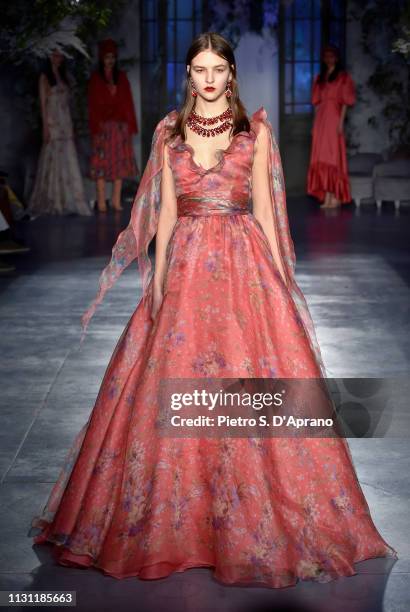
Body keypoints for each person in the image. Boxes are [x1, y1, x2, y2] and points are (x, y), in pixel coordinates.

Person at [28, 32, 397, 589]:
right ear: (189, 73)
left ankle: (257, 518)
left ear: (230, 75)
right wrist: (156, 282)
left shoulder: (256, 133)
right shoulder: (169, 132)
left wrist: (280, 282)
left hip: (245, 264)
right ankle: (180, 525)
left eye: (217, 69)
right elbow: (168, 214)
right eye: (198, 69)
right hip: (188, 268)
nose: (208, 78)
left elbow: (270, 217)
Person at [28, 51, 92, 217]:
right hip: (53, 121)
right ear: (49, 56)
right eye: (55, 55)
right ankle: (53, 200)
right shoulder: (45, 77)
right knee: (53, 158)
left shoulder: (64, 76)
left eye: (61, 55)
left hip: (65, 121)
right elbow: (43, 104)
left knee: (68, 159)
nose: (59, 58)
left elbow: (68, 103)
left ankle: (68, 199)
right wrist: (46, 127)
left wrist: (71, 124)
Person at [88, 39, 139, 213]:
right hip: (103, 128)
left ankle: (116, 201)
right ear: (101, 58)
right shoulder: (96, 79)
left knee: (119, 165)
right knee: (101, 165)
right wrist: (97, 126)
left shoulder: (121, 77)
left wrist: (130, 125)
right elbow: (93, 105)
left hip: (119, 128)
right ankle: (102, 202)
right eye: (107, 57)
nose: (110, 60)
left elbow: (128, 103)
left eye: (112, 57)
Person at [307, 45, 356, 209]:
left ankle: (335, 196)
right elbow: (316, 103)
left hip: (334, 118)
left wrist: (341, 123)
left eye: (332, 56)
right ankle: (327, 197)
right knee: (321, 157)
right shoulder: (320, 78)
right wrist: (315, 125)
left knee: (333, 156)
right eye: (326, 56)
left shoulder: (343, 77)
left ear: (336, 58)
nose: (329, 59)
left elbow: (345, 103)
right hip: (321, 120)